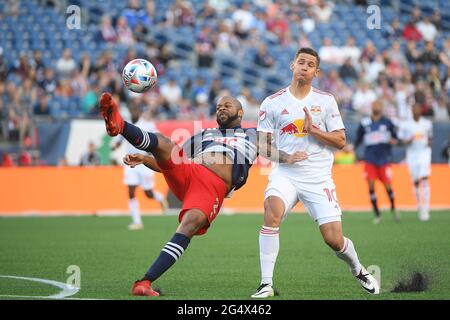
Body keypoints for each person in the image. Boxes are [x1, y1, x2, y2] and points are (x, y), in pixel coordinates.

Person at [99, 92, 306, 297]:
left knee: (190, 224)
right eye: (218, 107)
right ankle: (120, 125)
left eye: (227, 105)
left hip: (211, 186)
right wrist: (146, 160)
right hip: (189, 173)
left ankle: (144, 283)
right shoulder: (203, 134)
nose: (221, 108)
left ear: (241, 113)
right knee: (164, 143)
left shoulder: (253, 134)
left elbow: (269, 151)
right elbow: (172, 161)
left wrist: (289, 157)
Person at [251, 48, 380, 299]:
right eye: (301, 62)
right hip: (285, 173)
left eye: (311, 64)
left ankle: (358, 269)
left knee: (333, 239)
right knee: (271, 213)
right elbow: (262, 145)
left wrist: (314, 131)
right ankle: (266, 284)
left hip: (318, 177)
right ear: (292, 65)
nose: (305, 66)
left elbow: (341, 140)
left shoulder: (326, 100)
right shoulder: (273, 102)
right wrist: (285, 157)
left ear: (316, 72)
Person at [111, 101, 168, 230]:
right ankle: (137, 222)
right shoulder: (124, 125)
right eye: (132, 109)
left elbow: (159, 138)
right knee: (131, 191)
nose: (134, 111)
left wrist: (153, 149)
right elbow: (119, 139)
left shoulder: (147, 125)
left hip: (144, 162)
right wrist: (115, 146)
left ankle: (159, 198)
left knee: (148, 193)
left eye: (136, 109)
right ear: (130, 111)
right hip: (130, 162)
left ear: (140, 111)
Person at [354, 100, 399, 224]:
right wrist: (352, 148)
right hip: (370, 159)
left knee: (388, 186)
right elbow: (358, 139)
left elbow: (396, 138)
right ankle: (377, 214)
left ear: (381, 107)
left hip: (384, 159)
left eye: (378, 104)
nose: (376, 106)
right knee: (371, 187)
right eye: (373, 104)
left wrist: (394, 141)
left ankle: (394, 209)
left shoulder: (388, 122)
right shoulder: (365, 123)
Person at [398, 103, 433, 221]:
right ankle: (420, 206)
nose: (415, 111)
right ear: (411, 111)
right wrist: (408, 141)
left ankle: (426, 208)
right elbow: (401, 140)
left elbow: (430, 138)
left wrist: (428, 143)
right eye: (413, 109)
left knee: (424, 177)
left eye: (417, 109)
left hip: (424, 153)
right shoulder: (406, 124)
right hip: (412, 155)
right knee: (416, 181)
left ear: (421, 110)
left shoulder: (427, 123)